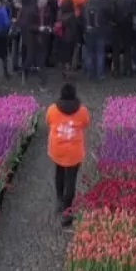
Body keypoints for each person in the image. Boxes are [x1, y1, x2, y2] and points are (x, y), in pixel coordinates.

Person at [47, 83, 90, 227]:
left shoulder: (52, 110)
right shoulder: (82, 111)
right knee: (71, 180)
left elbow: (48, 121)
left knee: (59, 172)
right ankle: (67, 211)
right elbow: (86, 123)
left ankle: (59, 199)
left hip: (58, 149)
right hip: (74, 151)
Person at [53, 0, 79, 81]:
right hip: (69, 38)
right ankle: (68, 74)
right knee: (69, 57)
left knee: (63, 57)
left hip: (60, 37)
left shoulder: (59, 13)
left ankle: (63, 72)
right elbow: (74, 29)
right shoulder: (72, 16)